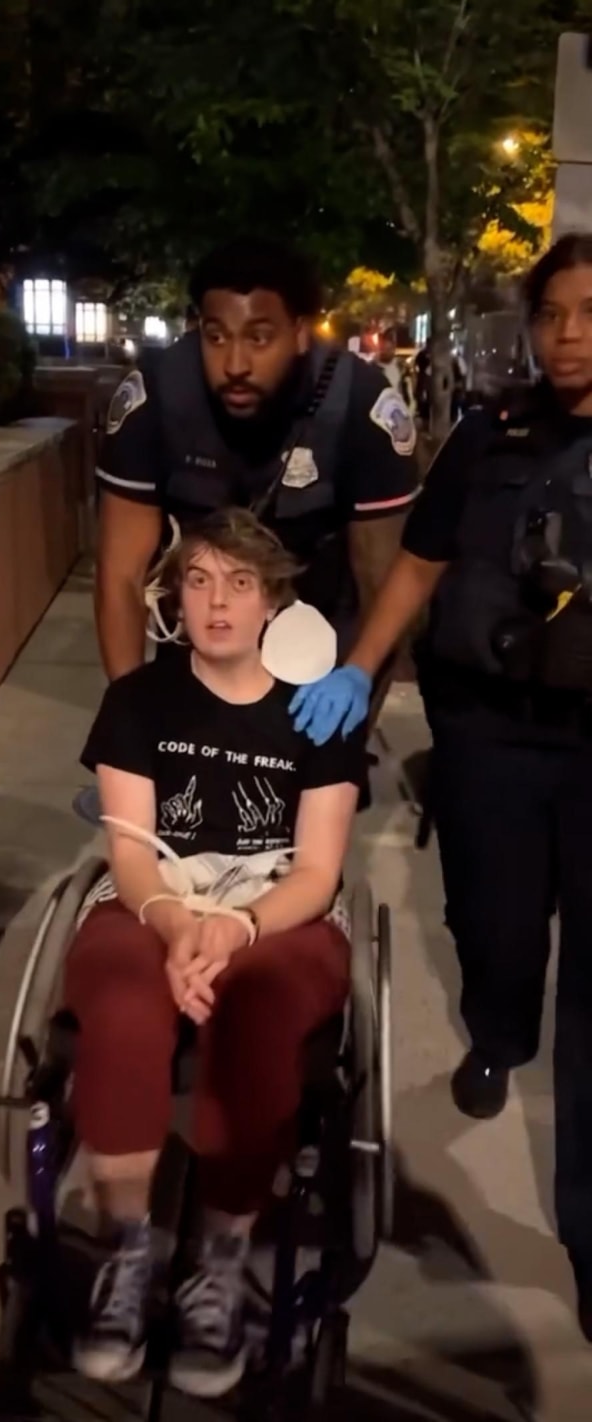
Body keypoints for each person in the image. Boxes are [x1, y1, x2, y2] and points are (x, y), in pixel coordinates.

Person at [291, 233, 592, 1340]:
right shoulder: (485, 435)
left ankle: (587, 1231)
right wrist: (358, 670)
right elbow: (418, 562)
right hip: (487, 735)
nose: (567, 335)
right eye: (551, 313)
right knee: (495, 933)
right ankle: (497, 1031)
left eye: (588, 313)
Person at [68, 510, 364, 1397]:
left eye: (240, 583)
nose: (218, 602)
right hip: (156, 892)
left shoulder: (317, 715)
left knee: (257, 1010)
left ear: (274, 600)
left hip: (276, 905)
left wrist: (237, 930)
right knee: (122, 1006)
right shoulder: (138, 701)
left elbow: (317, 872)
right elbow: (129, 856)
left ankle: (221, 1262)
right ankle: (128, 1251)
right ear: (174, 598)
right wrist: (172, 924)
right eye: (198, 581)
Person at [95, 238, 420, 693]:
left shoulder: (359, 405)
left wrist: (357, 684)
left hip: (320, 654)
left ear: (301, 332)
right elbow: (121, 576)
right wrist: (128, 711)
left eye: (259, 337)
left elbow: (381, 584)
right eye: (216, 336)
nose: (235, 364)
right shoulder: (157, 397)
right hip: (196, 656)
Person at [375, 328, 413, 410]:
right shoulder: (373, 368)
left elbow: (407, 389)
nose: (385, 352)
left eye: (389, 349)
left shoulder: (401, 366)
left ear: (394, 349)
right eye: (383, 349)